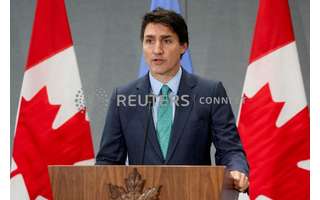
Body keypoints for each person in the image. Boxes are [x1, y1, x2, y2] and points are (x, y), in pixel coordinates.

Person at [96, 7, 249, 192]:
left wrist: (236, 170)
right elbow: (108, 161)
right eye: (149, 41)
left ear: (183, 45)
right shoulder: (123, 98)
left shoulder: (210, 93)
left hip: (196, 193)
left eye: (166, 41)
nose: (157, 50)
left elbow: (230, 149)